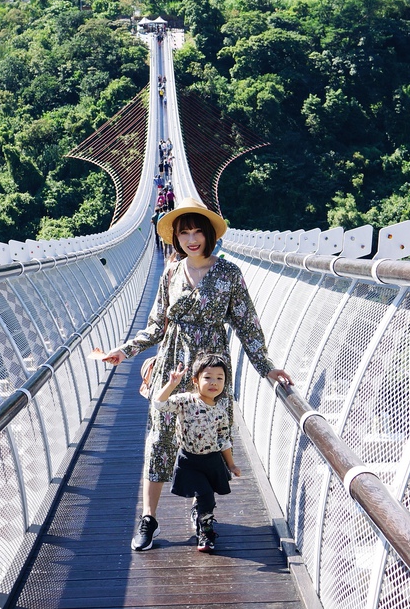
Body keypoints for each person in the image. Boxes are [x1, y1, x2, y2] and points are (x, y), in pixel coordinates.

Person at [102, 197, 292, 552]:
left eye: (197, 231)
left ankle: (204, 518)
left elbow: (247, 325)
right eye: (184, 232)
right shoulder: (171, 272)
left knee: (207, 442)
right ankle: (149, 519)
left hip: (211, 370)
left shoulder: (229, 273)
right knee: (161, 441)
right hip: (174, 365)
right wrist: (124, 351)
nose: (191, 239)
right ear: (176, 236)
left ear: (208, 234)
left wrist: (266, 366)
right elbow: (157, 325)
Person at [154, 353, 240, 552]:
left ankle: (203, 521)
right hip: (189, 460)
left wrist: (231, 464)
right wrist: (172, 384)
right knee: (205, 494)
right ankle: (206, 533)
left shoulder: (220, 411)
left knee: (207, 498)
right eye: (208, 377)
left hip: (211, 461)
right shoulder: (185, 401)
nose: (214, 383)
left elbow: (223, 439)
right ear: (195, 380)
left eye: (220, 378)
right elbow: (159, 404)